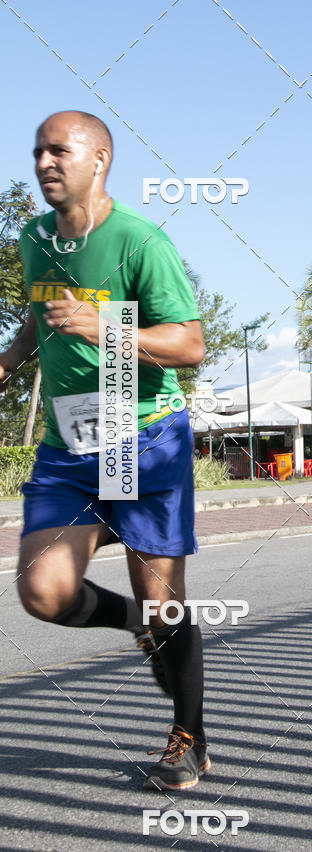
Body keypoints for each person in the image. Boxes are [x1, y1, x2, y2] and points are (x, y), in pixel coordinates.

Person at [0, 110, 208, 791]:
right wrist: (9, 359)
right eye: (37, 152)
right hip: (69, 442)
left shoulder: (140, 241)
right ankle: (132, 625)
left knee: (163, 602)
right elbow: (38, 314)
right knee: (43, 591)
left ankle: (188, 736)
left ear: (100, 160)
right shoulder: (33, 237)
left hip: (142, 437)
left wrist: (105, 327)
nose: (43, 163)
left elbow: (189, 344)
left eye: (58, 150)